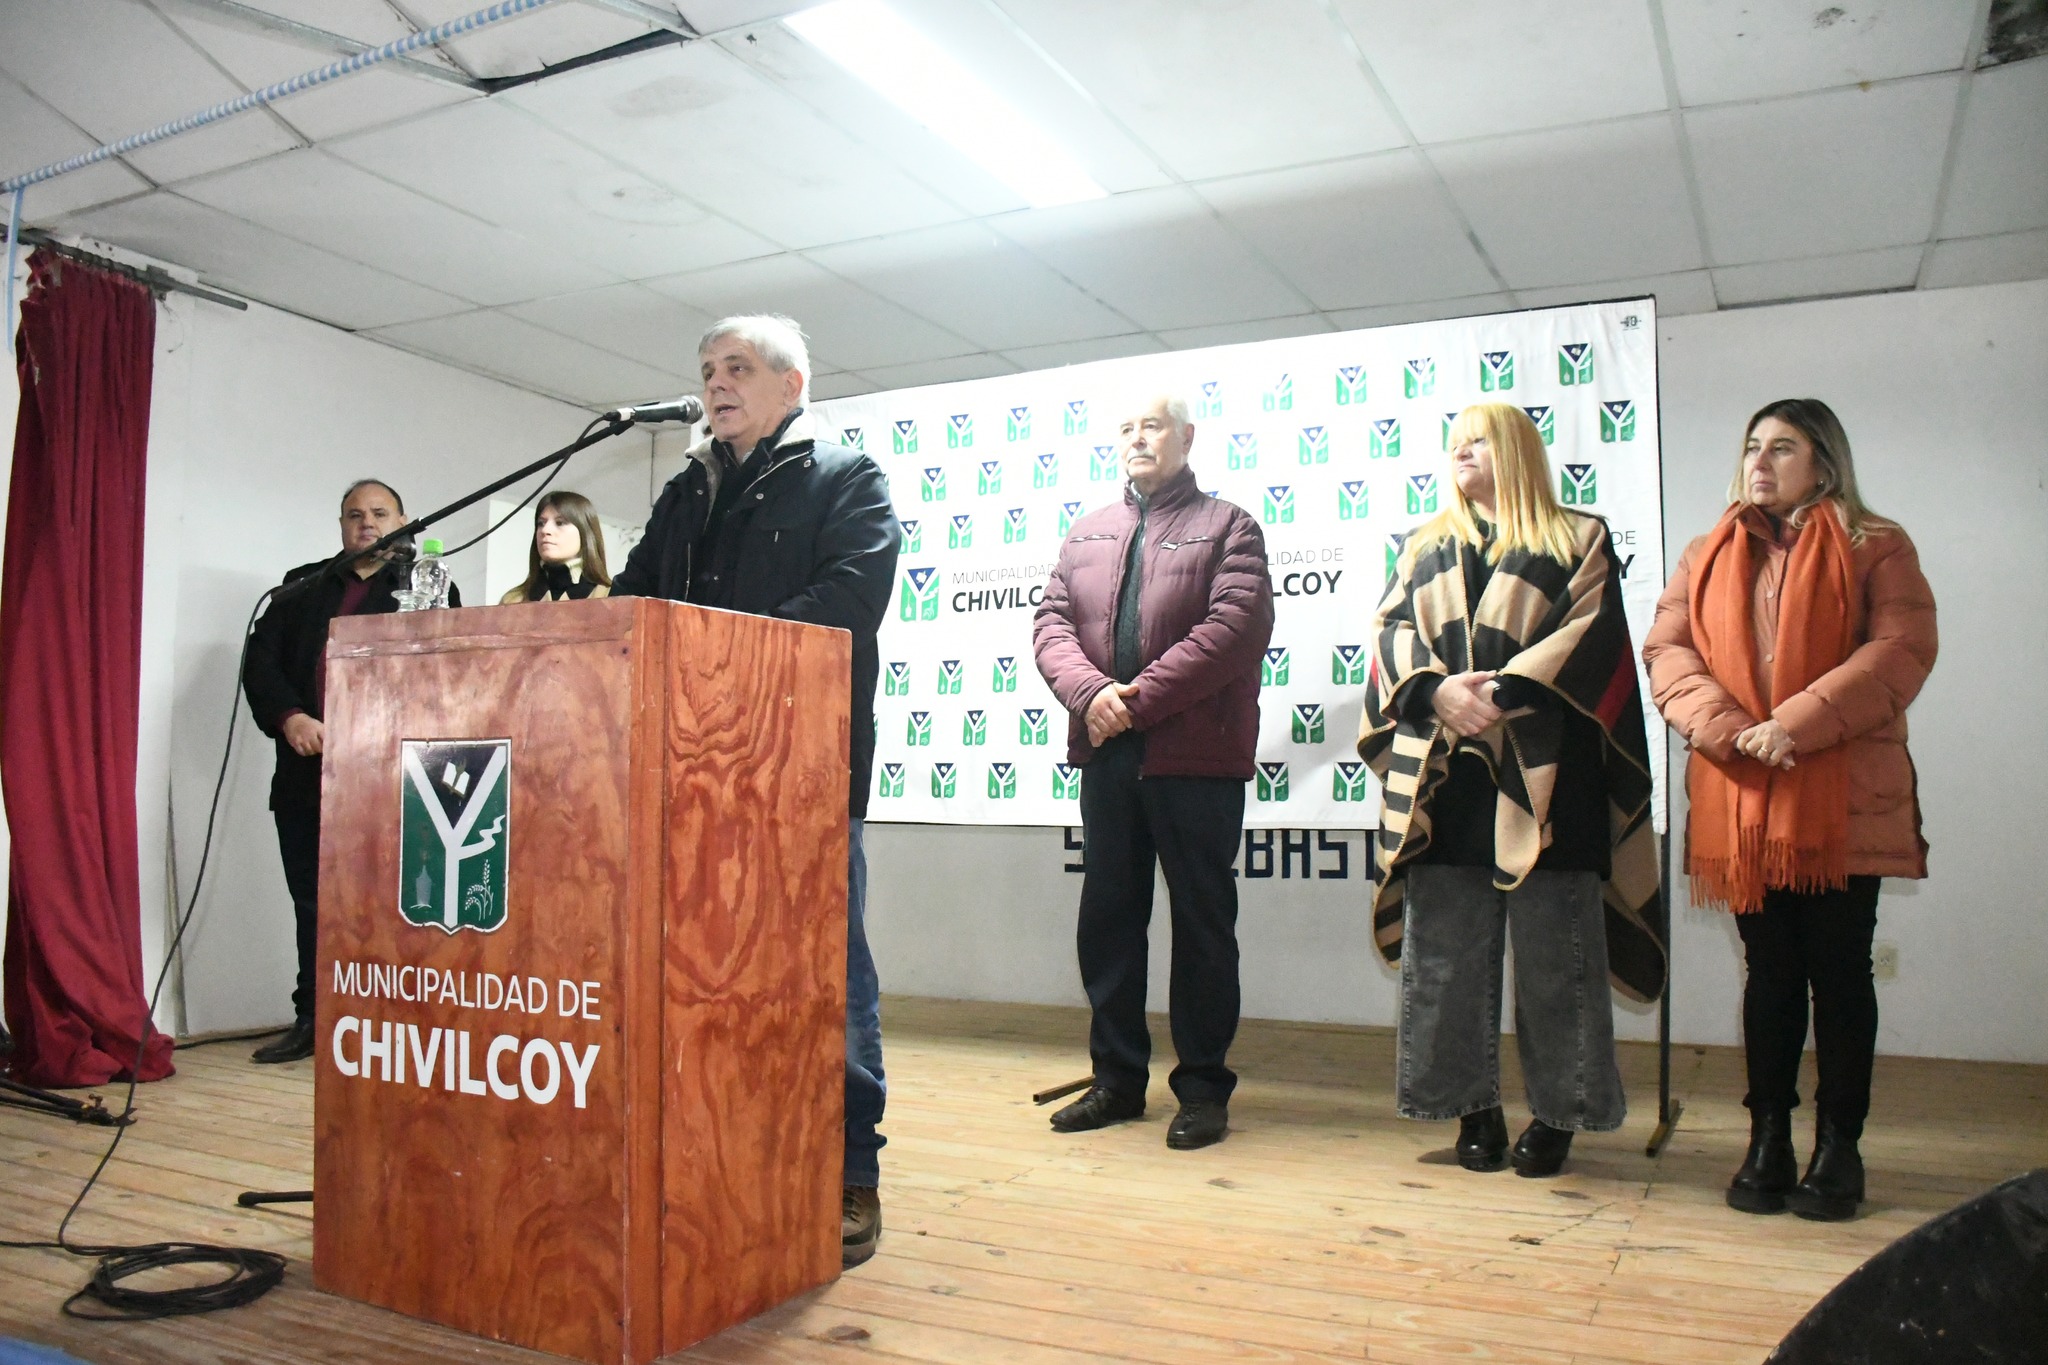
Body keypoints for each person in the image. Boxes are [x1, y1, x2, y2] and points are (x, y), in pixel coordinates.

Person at [607, 313, 898, 1267]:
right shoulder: (687, 489)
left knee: (830, 977)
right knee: (700, 974)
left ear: (791, 384)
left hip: (803, 773)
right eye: (706, 370)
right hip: (683, 773)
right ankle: (718, 1155)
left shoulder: (846, 479)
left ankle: (850, 1168)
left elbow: (847, 604)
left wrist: (711, 662)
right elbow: (633, 599)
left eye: (737, 367)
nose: (715, 384)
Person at [1645, 398, 1935, 1222]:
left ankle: (1840, 1147)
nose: (1760, 462)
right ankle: (1768, 1136)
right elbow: (1669, 651)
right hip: (1743, 794)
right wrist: (1733, 730)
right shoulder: (1705, 553)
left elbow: (1900, 651)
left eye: (1782, 447)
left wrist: (1793, 725)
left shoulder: (1878, 544)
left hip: (1843, 802)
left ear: (1824, 463)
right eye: (1752, 446)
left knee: (1839, 972)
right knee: (1769, 972)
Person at [1359, 403, 1663, 1178]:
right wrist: (1436, 692)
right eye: (1454, 443)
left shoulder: (1578, 536)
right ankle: (1472, 1107)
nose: (1461, 451)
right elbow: (1391, 633)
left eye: (1479, 440)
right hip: (1449, 777)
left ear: (1519, 449)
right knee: (1446, 955)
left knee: (1558, 956)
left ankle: (1562, 1112)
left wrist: (1502, 692)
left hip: (1549, 771)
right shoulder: (1421, 546)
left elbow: (1590, 634)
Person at [1031, 394, 1274, 1151]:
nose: (1138, 438)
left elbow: (1235, 630)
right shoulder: (1087, 530)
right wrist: (1090, 695)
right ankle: (1116, 1081)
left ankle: (1201, 1089)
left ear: (1186, 437)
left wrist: (1134, 701)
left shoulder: (1230, 525)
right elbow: (1051, 626)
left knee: (1202, 925)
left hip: (1196, 757)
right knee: (1108, 920)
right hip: (1109, 754)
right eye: (1128, 427)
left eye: (1154, 425)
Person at [242, 479, 459, 1064]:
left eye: (380, 513)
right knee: (313, 904)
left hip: (390, 782)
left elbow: (444, 677)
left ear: (404, 522)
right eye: (354, 514)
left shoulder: (428, 586)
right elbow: (260, 662)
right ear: (341, 525)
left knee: (390, 905)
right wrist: (290, 717)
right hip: (306, 775)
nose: (367, 523)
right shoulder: (302, 585)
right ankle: (314, 1019)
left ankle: (390, 1026)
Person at [500, 492, 612, 603]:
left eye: (560, 523)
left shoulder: (610, 596)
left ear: (585, 533)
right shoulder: (512, 600)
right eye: (541, 523)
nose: (545, 530)